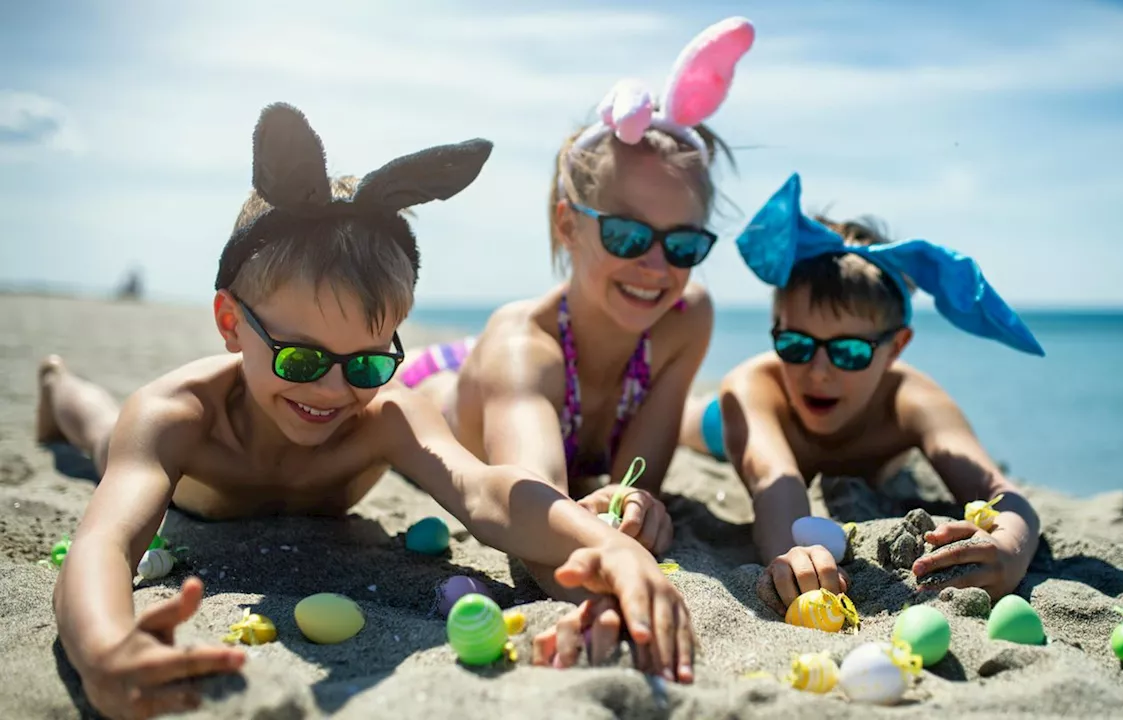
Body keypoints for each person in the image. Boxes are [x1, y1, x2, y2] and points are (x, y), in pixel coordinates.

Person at [37, 103, 695, 720]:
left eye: (365, 364)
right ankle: (56, 383)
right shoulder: (178, 416)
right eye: (299, 360)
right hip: (201, 490)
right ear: (230, 322)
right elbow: (103, 544)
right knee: (99, 429)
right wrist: (103, 649)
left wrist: (606, 546)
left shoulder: (381, 415)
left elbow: (488, 494)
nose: (331, 391)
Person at [401, 15, 752, 622]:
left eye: (683, 245)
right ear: (569, 224)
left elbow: (635, 477)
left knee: (678, 416)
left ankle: (713, 421)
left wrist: (630, 500)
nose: (654, 265)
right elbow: (533, 505)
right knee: (461, 383)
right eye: (625, 234)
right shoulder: (525, 346)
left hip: (575, 385)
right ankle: (713, 422)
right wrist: (613, 562)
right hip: (457, 382)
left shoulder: (684, 318)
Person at [679, 173, 1046, 615]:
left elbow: (1000, 491)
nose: (818, 372)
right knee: (687, 421)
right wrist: (790, 550)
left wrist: (1009, 546)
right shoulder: (756, 386)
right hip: (736, 427)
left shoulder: (910, 400)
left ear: (896, 346)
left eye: (849, 352)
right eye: (796, 344)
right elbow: (775, 482)